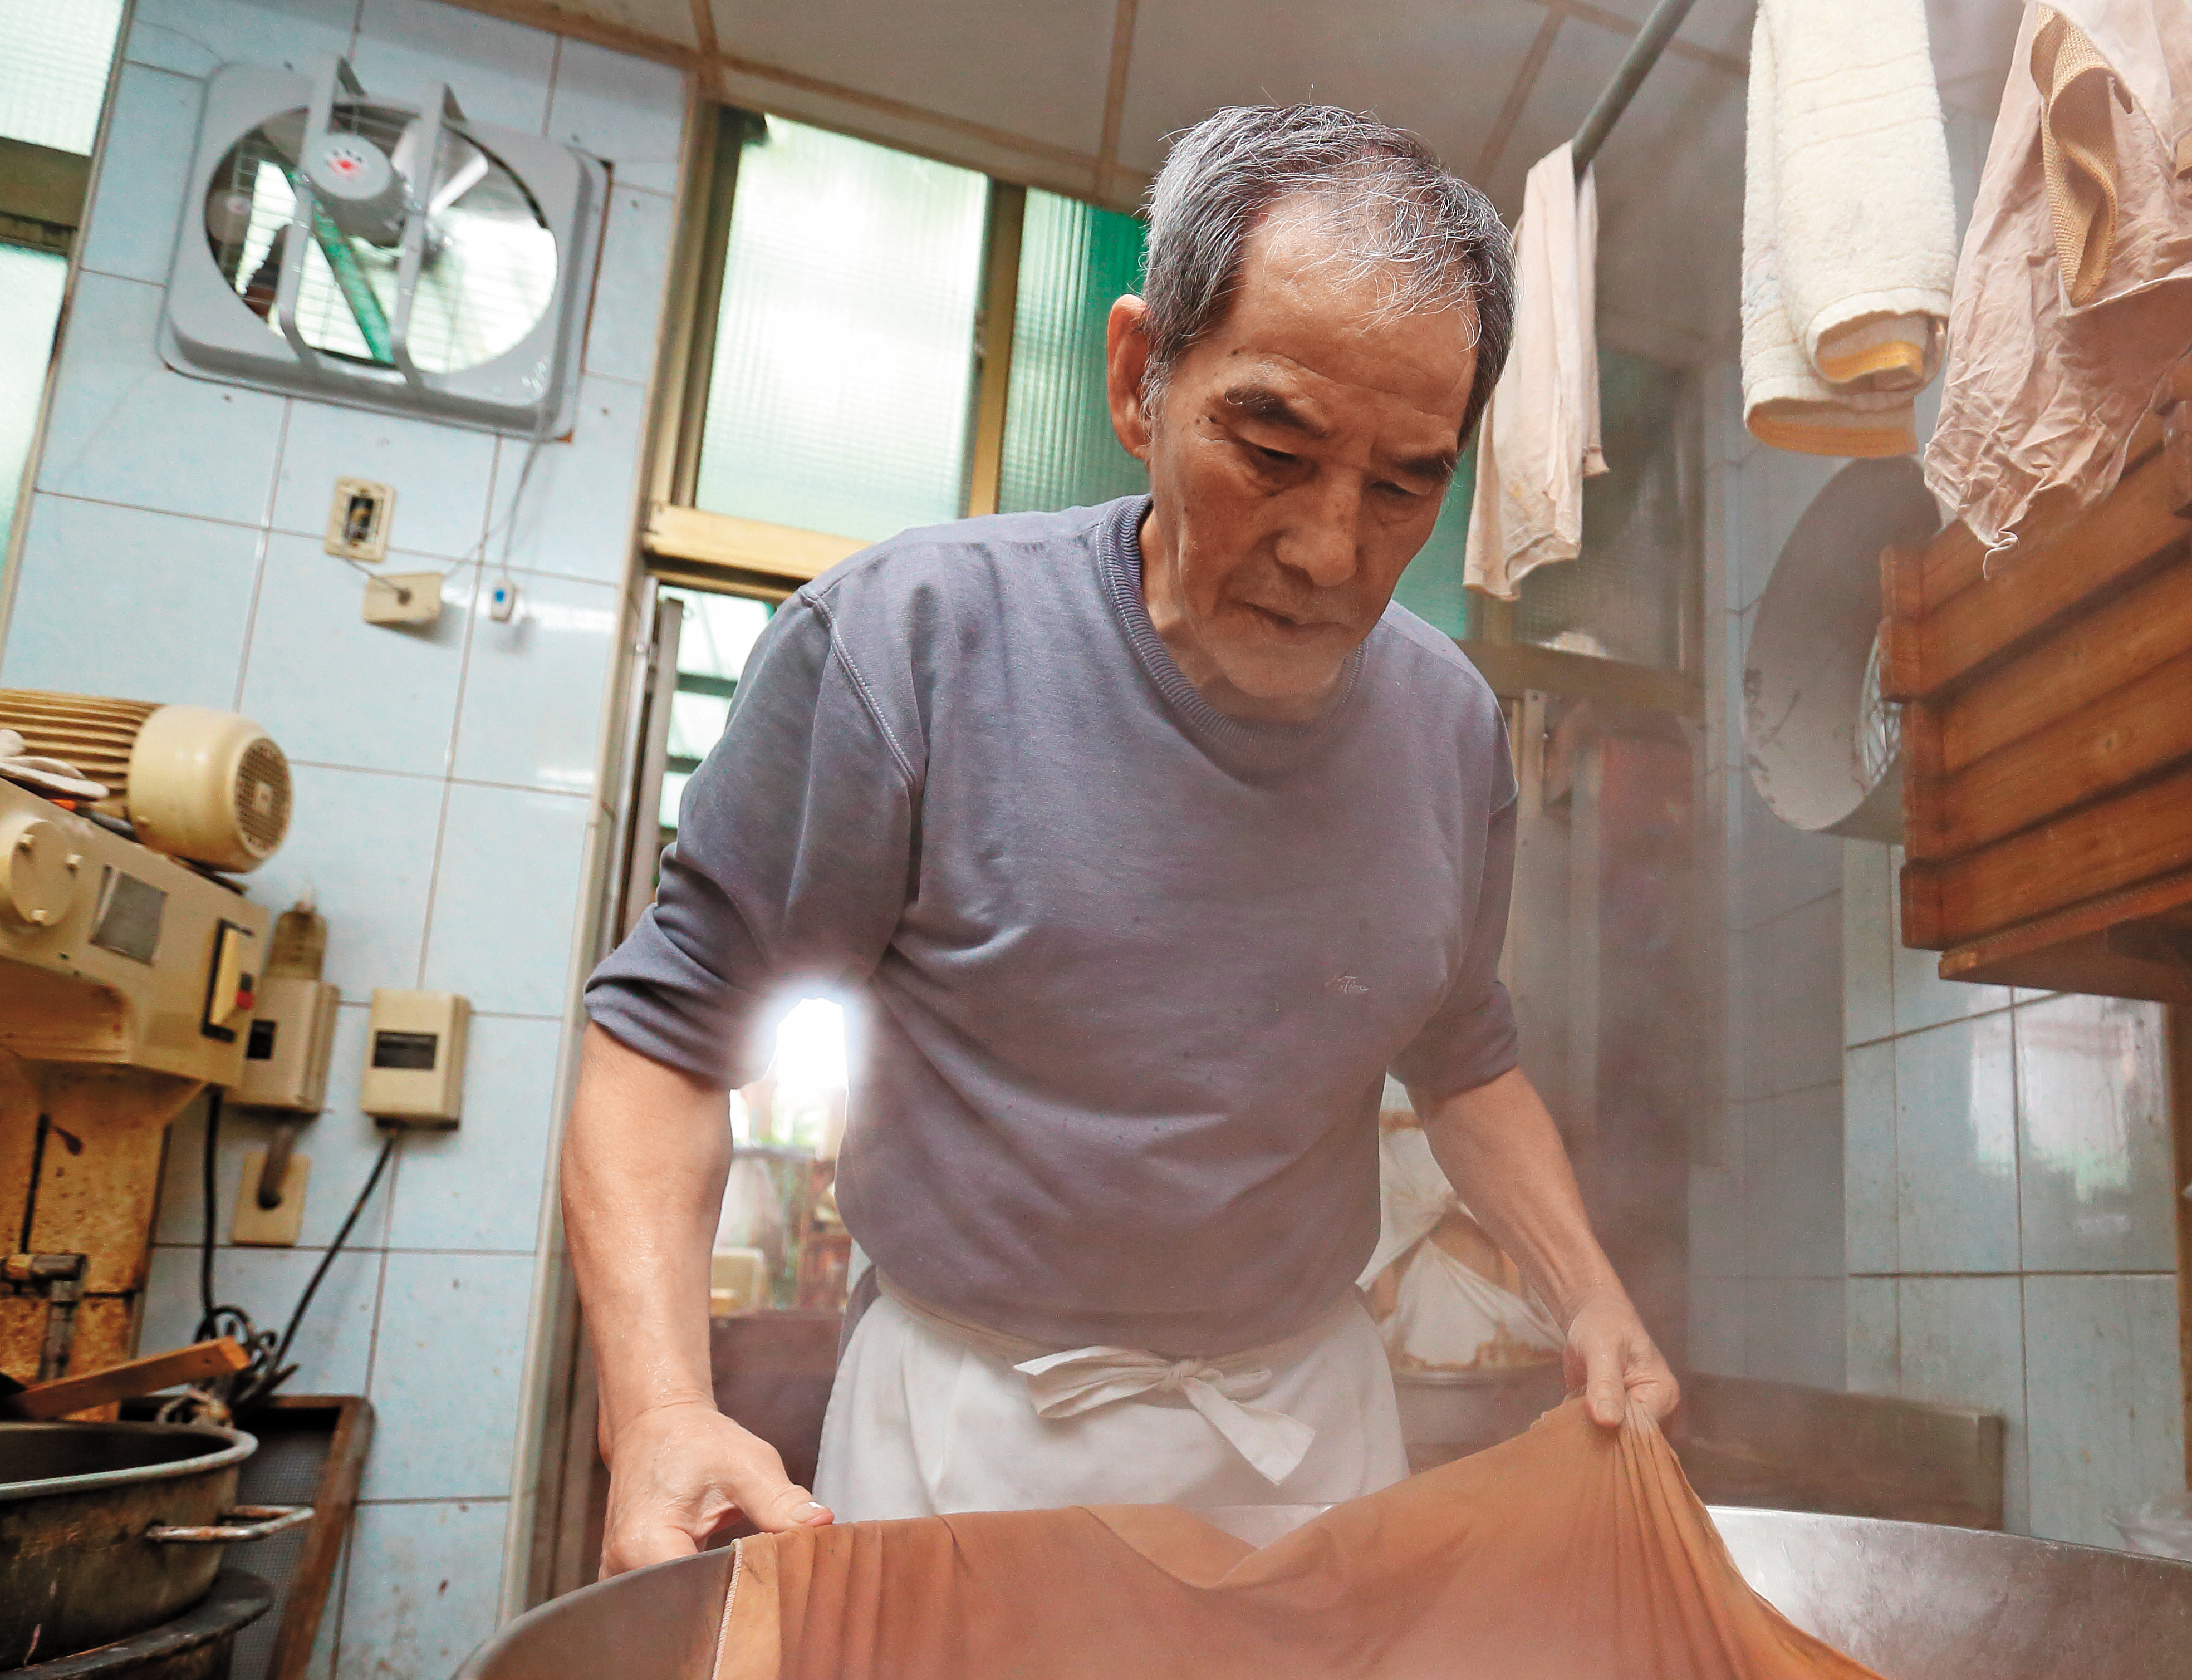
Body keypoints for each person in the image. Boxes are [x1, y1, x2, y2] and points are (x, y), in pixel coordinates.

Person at [565, 106, 1678, 1578]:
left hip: (1306, 1429)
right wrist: (655, 1411)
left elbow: (1464, 1057)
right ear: (1142, 379)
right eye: (1272, 447)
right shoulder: (905, 647)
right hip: (972, 1422)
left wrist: (1587, 1290)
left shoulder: (1454, 731)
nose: (1332, 552)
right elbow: (664, 1037)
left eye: (1406, 482)